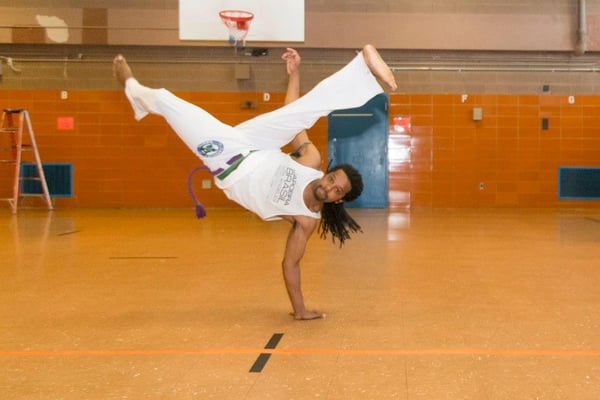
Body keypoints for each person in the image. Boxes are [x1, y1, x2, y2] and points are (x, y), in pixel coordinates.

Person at [113, 45, 397, 320]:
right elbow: (292, 114)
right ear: (327, 173)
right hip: (254, 142)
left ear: (338, 199)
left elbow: (291, 264)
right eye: (333, 178)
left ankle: (134, 91)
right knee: (300, 113)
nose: (330, 186)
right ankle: (364, 67)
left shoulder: (306, 220)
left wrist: (300, 310)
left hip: (225, 157)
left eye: (337, 190)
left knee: (166, 100)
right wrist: (294, 73)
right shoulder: (311, 160)